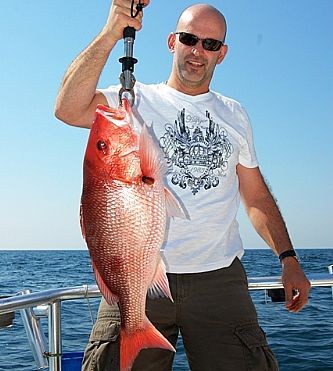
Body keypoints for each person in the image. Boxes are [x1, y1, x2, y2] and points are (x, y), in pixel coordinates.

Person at [55, 1, 311, 370]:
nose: (198, 51)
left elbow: (255, 196)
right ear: (172, 41)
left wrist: (288, 258)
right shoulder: (130, 101)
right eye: (190, 39)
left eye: (210, 44)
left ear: (222, 54)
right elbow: (67, 108)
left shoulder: (235, 114)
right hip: (136, 279)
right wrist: (112, 31)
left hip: (218, 280)